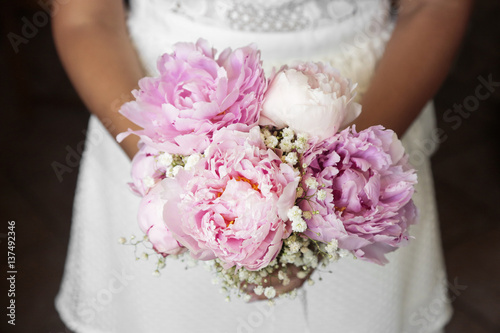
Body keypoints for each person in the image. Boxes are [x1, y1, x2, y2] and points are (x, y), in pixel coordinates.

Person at [52, 0, 472, 332]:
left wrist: (340, 179)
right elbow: (86, 16)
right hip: (163, 104)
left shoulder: (356, 173)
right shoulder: (164, 157)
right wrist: (174, 175)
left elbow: (437, 5)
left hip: (373, 104)